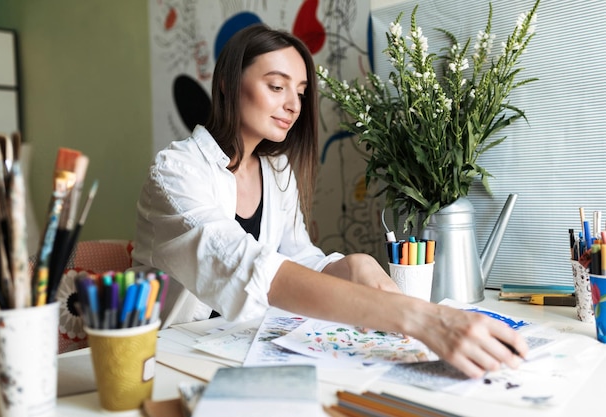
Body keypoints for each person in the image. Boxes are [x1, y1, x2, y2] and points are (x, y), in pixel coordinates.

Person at [131, 23, 527, 378]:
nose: (293, 105)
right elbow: (244, 265)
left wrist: (349, 265)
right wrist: (423, 320)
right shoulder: (177, 170)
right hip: (164, 359)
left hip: (241, 347)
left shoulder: (277, 171)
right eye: (276, 86)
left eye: (300, 92)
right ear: (228, 83)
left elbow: (298, 258)